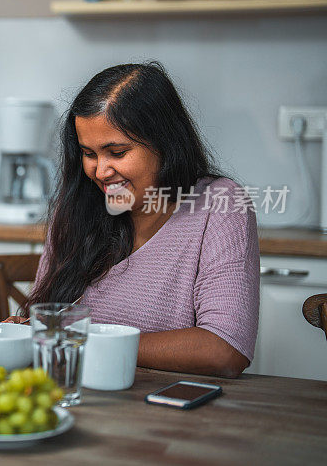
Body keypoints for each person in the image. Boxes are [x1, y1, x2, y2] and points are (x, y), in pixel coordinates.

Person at [17, 63, 259, 378]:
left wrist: (80, 338)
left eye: (116, 152)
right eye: (89, 154)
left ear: (164, 143)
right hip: (77, 400)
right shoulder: (78, 205)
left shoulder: (221, 205)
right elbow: (45, 323)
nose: (100, 172)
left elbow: (225, 350)